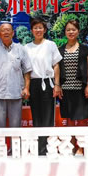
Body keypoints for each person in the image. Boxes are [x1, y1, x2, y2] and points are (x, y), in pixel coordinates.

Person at [25, 17, 62, 155]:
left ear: (44, 30)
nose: (38, 30)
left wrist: (57, 85)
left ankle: (47, 147)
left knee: (47, 116)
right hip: (34, 82)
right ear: (32, 30)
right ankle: (39, 148)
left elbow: (56, 65)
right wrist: (26, 87)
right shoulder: (27, 47)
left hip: (48, 82)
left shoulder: (50, 45)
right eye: (35, 28)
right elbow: (26, 70)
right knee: (36, 116)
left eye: (40, 28)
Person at [58, 20, 88, 156]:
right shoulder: (60, 50)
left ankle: (82, 146)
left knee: (82, 118)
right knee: (69, 118)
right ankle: (71, 144)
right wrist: (58, 86)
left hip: (81, 88)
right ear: (65, 32)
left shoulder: (85, 49)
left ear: (78, 31)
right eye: (68, 30)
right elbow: (57, 70)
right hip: (66, 89)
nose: (71, 32)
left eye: (73, 29)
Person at [0, 22, 32, 128]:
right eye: (3, 30)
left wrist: (26, 88)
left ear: (13, 33)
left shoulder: (21, 49)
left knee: (15, 127)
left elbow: (27, 71)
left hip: (16, 93)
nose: (6, 32)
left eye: (8, 30)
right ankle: (0, 145)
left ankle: (14, 145)